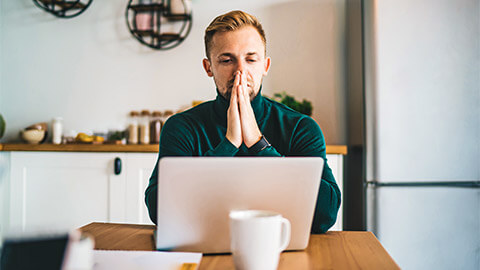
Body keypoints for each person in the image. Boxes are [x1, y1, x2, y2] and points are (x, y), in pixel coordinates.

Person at [145, 10, 340, 233]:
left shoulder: (301, 128)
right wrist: (228, 144)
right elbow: (159, 210)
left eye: (250, 59)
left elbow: (326, 215)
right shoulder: (181, 127)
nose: (240, 71)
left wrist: (258, 144)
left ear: (265, 66)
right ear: (209, 67)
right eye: (227, 60)